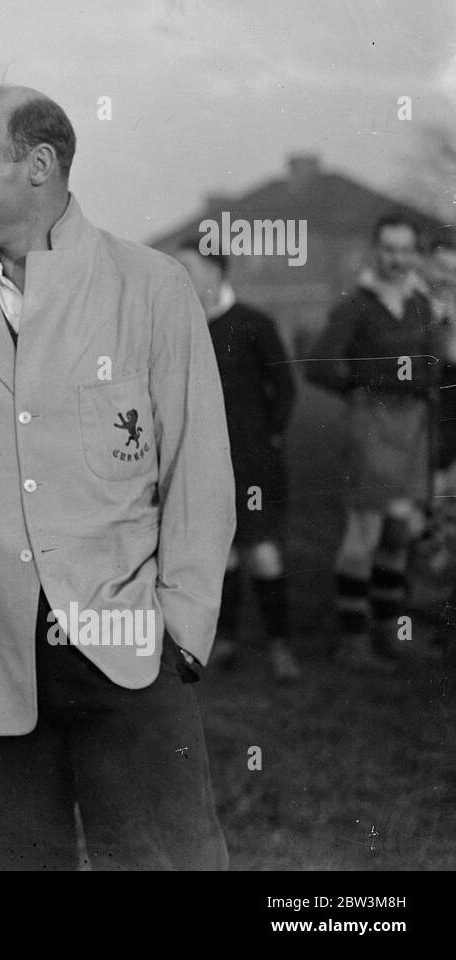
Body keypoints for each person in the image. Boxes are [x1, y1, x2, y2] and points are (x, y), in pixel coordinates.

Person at [0, 71, 234, 870]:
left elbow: (200, 475)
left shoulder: (150, 287)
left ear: (39, 165)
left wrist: (181, 629)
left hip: (130, 647)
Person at [304, 215, 454, 671]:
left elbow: (435, 364)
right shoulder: (357, 303)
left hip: (413, 424)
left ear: (415, 254)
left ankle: (387, 633)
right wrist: (372, 384)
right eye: (389, 249)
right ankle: (354, 639)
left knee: (399, 531)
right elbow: (321, 365)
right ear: (376, 251)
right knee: (365, 532)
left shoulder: (420, 304)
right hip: (371, 422)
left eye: (406, 250)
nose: (397, 259)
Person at [171, 240, 301, 681]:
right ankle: (222, 642)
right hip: (197, 463)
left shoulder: (252, 324)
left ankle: (281, 647)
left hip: (251, 463)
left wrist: (267, 439)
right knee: (217, 556)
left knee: (261, 552)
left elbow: (285, 389)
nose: (179, 274)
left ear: (214, 271)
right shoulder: (179, 324)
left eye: (187, 266)